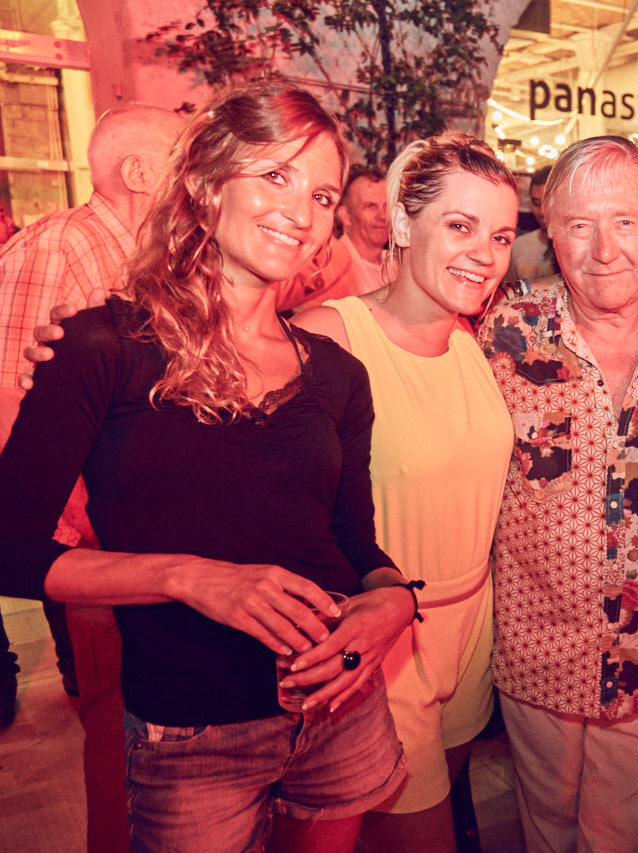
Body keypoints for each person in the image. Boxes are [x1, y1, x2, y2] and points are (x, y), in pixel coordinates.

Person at [0, 82, 415, 852]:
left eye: (322, 194)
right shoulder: (101, 347)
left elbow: (353, 541)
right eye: (276, 175)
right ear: (205, 182)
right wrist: (189, 578)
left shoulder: (337, 373)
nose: (302, 211)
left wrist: (392, 602)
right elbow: (9, 546)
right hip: (192, 733)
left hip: (339, 705)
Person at [475, 137, 638, 853]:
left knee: (631, 840)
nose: (603, 250)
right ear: (549, 233)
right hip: (538, 651)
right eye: (579, 225)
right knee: (547, 834)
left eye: (624, 221)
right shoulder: (504, 335)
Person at [291, 133, 517, 852]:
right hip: (383, 643)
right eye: (460, 225)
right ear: (401, 222)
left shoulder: (474, 341)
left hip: (471, 631)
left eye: (501, 235)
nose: (485, 253)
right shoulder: (330, 336)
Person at [0, 102, 184, 851]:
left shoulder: (150, 256)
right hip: (97, 540)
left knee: (154, 720)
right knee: (116, 721)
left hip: (142, 531)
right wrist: (73, 537)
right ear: (138, 171)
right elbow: (8, 399)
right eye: (183, 156)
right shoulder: (61, 246)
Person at [277, 166, 389, 312]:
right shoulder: (326, 268)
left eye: (387, 206)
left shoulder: (399, 265)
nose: (382, 216)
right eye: (370, 206)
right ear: (345, 216)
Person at [504, 164, 556, 283]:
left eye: (548, 203)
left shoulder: (573, 246)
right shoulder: (517, 247)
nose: (542, 212)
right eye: (536, 203)